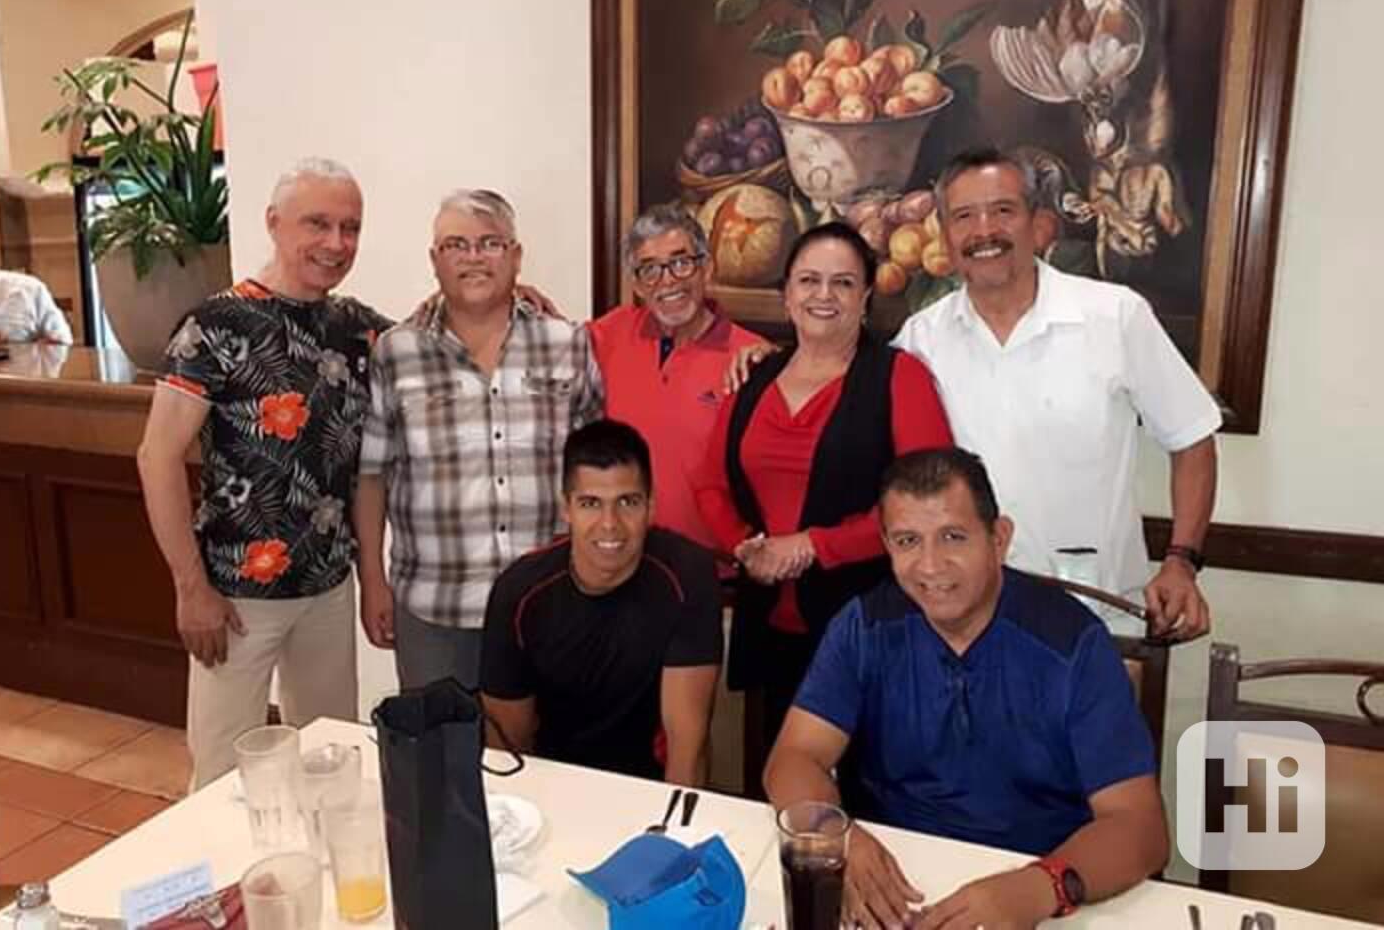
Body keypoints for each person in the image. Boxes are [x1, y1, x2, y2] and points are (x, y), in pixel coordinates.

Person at [766, 447, 1167, 929]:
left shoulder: (1073, 643)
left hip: (1040, 886)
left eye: (953, 537)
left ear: (999, 538)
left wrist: (1039, 888)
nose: (930, 566)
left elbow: (1140, 826)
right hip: (896, 885)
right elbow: (794, 758)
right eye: (908, 541)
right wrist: (838, 838)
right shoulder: (864, 627)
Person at [893, 146, 1220, 638]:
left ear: (1038, 223)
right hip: (962, 624)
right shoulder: (920, 340)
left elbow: (1192, 438)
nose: (985, 230)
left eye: (1003, 210)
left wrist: (1181, 561)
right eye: (964, 216)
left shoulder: (1115, 316)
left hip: (1095, 615)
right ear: (946, 233)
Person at [138, 157, 391, 788]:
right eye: (318, 224)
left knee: (333, 760)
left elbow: (438, 334)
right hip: (234, 596)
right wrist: (190, 588)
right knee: (222, 775)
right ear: (275, 223)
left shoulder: (356, 327)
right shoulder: (215, 326)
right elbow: (156, 456)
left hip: (328, 587)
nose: (337, 243)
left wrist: (509, 293)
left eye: (351, 228)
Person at [694, 222, 953, 783]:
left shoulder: (900, 377)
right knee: (778, 786)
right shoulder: (754, 375)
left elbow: (928, 505)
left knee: (875, 791)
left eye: (843, 282)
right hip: (771, 632)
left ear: (865, 297)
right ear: (787, 294)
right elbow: (709, 484)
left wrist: (814, 546)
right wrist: (746, 547)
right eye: (809, 280)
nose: (824, 295)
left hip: (872, 629)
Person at [354, 188, 603, 691]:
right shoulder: (396, 353)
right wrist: (373, 582)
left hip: (548, 601)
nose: (473, 258)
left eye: (490, 243)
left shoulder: (567, 344)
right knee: (440, 738)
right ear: (434, 260)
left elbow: (598, 471)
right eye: (456, 245)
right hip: (434, 609)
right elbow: (372, 476)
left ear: (515, 256)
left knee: (551, 740)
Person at [480, 419, 722, 784]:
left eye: (628, 502)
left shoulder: (689, 576)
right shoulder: (518, 593)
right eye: (590, 503)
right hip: (553, 783)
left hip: (651, 786)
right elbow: (507, 751)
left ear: (651, 506)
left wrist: (672, 821)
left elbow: (687, 747)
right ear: (567, 508)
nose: (610, 524)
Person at [588, 205, 763, 549]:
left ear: (707, 268)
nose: (667, 280)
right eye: (650, 269)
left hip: (715, 566)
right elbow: (545, 341)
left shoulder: (751, 357)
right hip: (626, 558)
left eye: (681, 263)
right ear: (637, 285)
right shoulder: (610, 334)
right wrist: (519, 294)